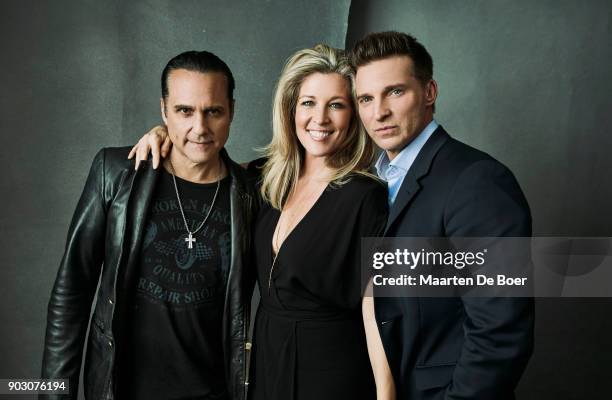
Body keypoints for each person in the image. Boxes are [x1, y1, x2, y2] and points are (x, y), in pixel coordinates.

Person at [130, 44, 394, 400]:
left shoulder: (367, 196)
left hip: (334, 372)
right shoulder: (263, 179)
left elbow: (375, 310)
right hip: (266, 365)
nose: (320, 119)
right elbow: (201, 160)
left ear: (353, 115)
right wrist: (162, 133)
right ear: (290, 109)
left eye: (336, 105)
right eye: (308, 103)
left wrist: (385, 395)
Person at [41, 51, 258, 400]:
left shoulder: (252, 193)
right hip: (120, 390)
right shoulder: (116, 173)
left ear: (231, 110)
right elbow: (71, 293)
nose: (199, 128)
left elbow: (305, 151)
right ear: (164, 110)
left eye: (213, 111)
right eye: (184, 111)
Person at [351, 31, 534, 399]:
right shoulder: (374, 179)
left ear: (430, 92)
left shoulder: (477, 180)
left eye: (395, 92)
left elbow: (500, 329)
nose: (378, 112)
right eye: (366, 98)